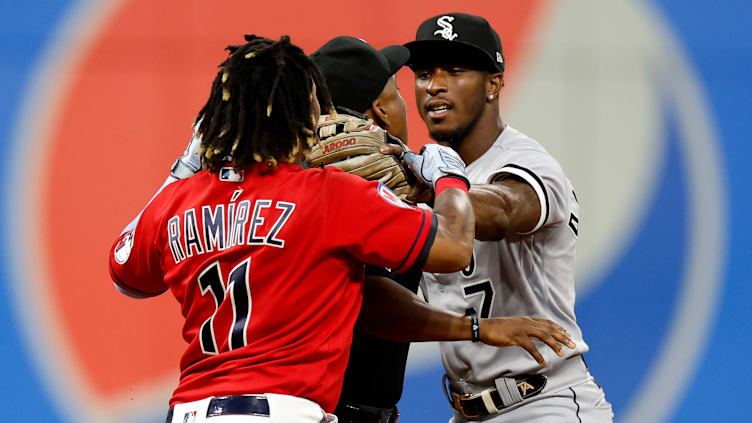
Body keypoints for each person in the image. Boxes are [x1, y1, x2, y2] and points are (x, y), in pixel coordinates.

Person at [108, 34, 574, 423]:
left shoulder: (180, 200)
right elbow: (454, 246)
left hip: (189, 410)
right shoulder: (328, 194)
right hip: (283, 410)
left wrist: (185, 166)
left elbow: (125, 273)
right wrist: (448, 175)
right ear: (299, 111)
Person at [397, 13, 615, 422]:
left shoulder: (526, 161)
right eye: (424, 73)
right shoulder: (422, 181)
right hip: (468, 410)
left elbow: (502, 210)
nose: (435, 85)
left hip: (546, 403)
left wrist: (431, 189)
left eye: (456, 71)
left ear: (494, 83)